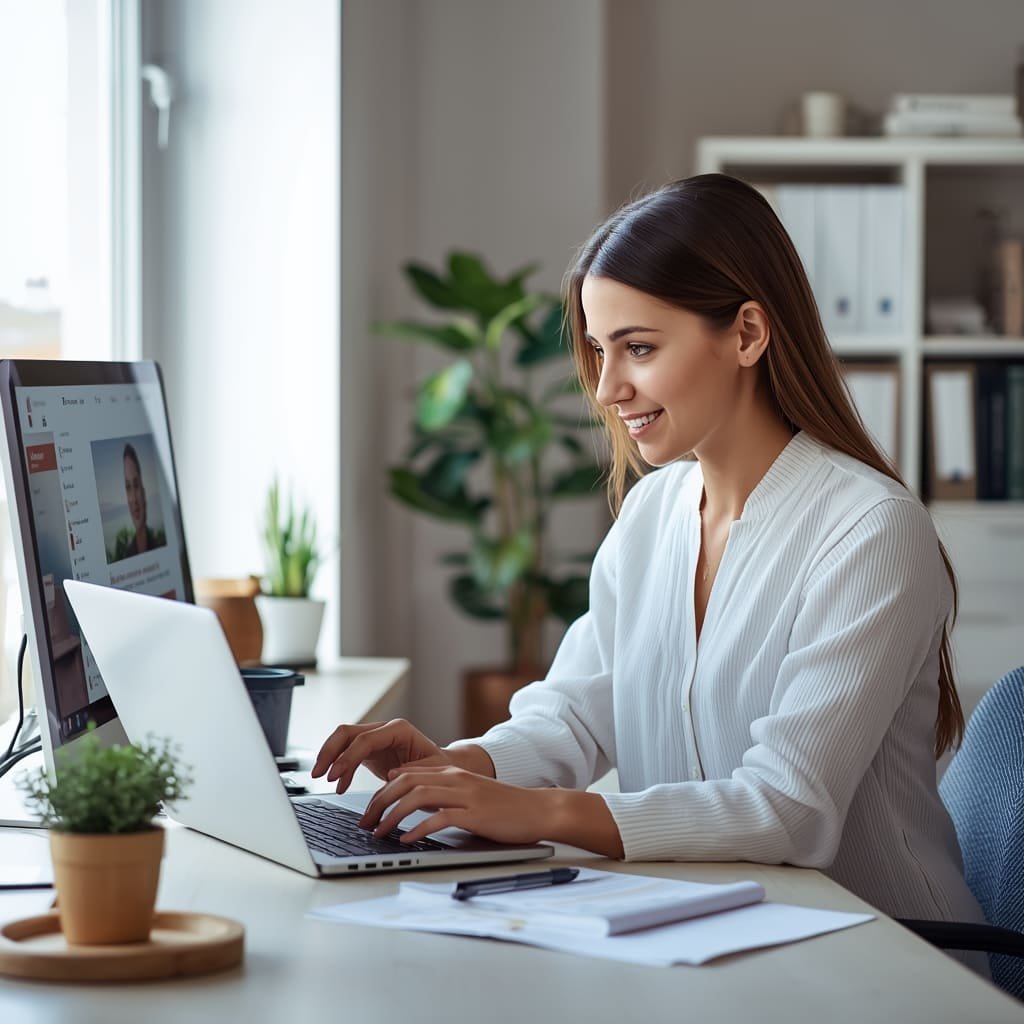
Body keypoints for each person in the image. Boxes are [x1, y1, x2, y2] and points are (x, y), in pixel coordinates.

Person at [313, 174, 986, 935]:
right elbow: (574, 717)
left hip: (886, 957)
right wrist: (467, 768)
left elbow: (786, 810)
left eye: (638, 348)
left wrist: (541, 811)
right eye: (599, 351)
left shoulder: (869, 532)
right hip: (710, 928)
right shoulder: (655, 513)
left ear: (747, 335)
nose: (606, 388)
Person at [116, 443, 163, 559]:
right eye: (128, 487)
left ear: (144, 491)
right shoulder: (127, 556)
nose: (133, 499)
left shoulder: (160, 547)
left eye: (136, 485)